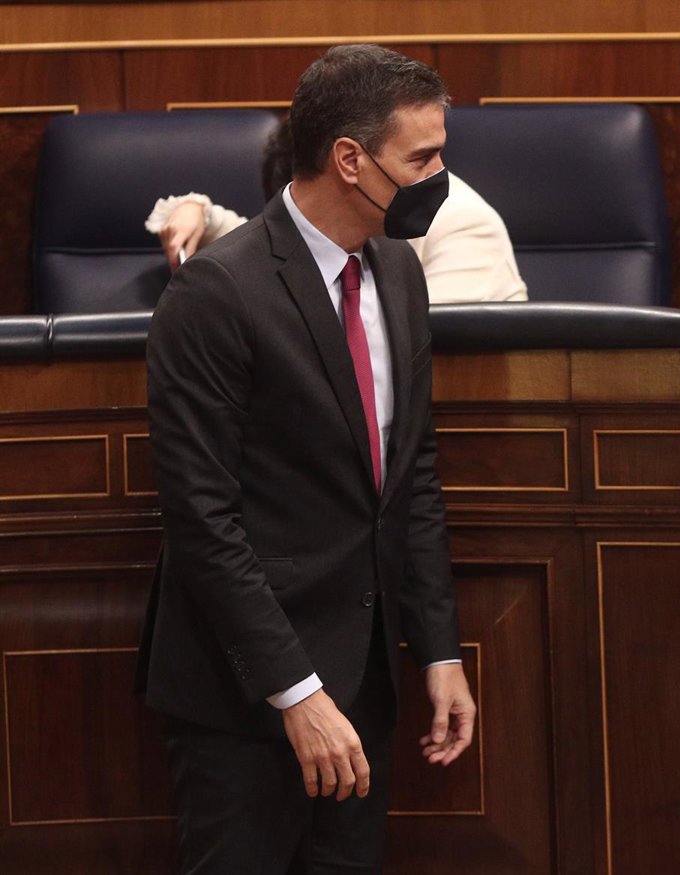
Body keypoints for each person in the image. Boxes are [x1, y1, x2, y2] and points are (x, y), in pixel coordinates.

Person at [134, 44, 477, 873]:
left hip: (366, 681)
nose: (440, 178)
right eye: (422, 159)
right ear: (350, 159)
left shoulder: (398, 271)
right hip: (245, 698)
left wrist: (437, 647)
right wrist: (295, 690)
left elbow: (411, 474)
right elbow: (202, 520)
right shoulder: (217, 291)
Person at [144, 118, 528, 304]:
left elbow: (417, 352)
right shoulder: (348, 214)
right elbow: (278, 247)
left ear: (350, 168)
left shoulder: (464, 226)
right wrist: (198, 211)